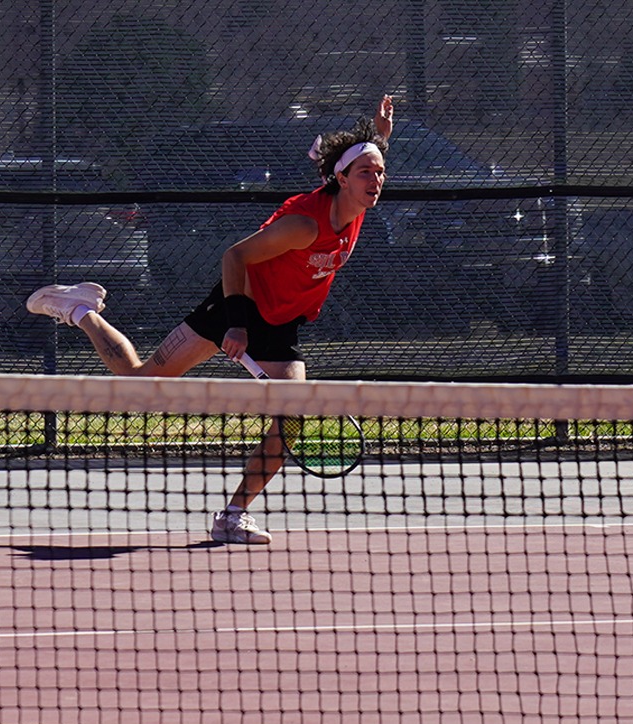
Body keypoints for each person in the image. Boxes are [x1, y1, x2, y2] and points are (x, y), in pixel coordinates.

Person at [27, 95, 393, 545]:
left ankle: (233, 515)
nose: (376, 179)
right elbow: (234, 256)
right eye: (366, 172)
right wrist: (236, 325)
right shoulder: (305, 226)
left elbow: (369, 157)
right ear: (342, 178)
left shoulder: (354, 202)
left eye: (379, 172)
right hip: (236, 306)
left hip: (281, 322)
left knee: (291, 419)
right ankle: (80, 310)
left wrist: (378, 135)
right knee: (139, 385)